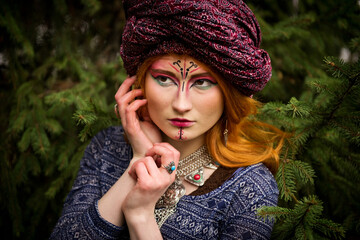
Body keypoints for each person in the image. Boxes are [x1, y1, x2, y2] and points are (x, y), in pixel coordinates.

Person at [50, 0, 287, 239]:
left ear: (229, 92)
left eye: (202, 82)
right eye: (164, 79)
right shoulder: (106, 148)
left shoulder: (250, 188)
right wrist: (140, 161)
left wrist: (140, 216)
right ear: (139, 82)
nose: (181, 105)